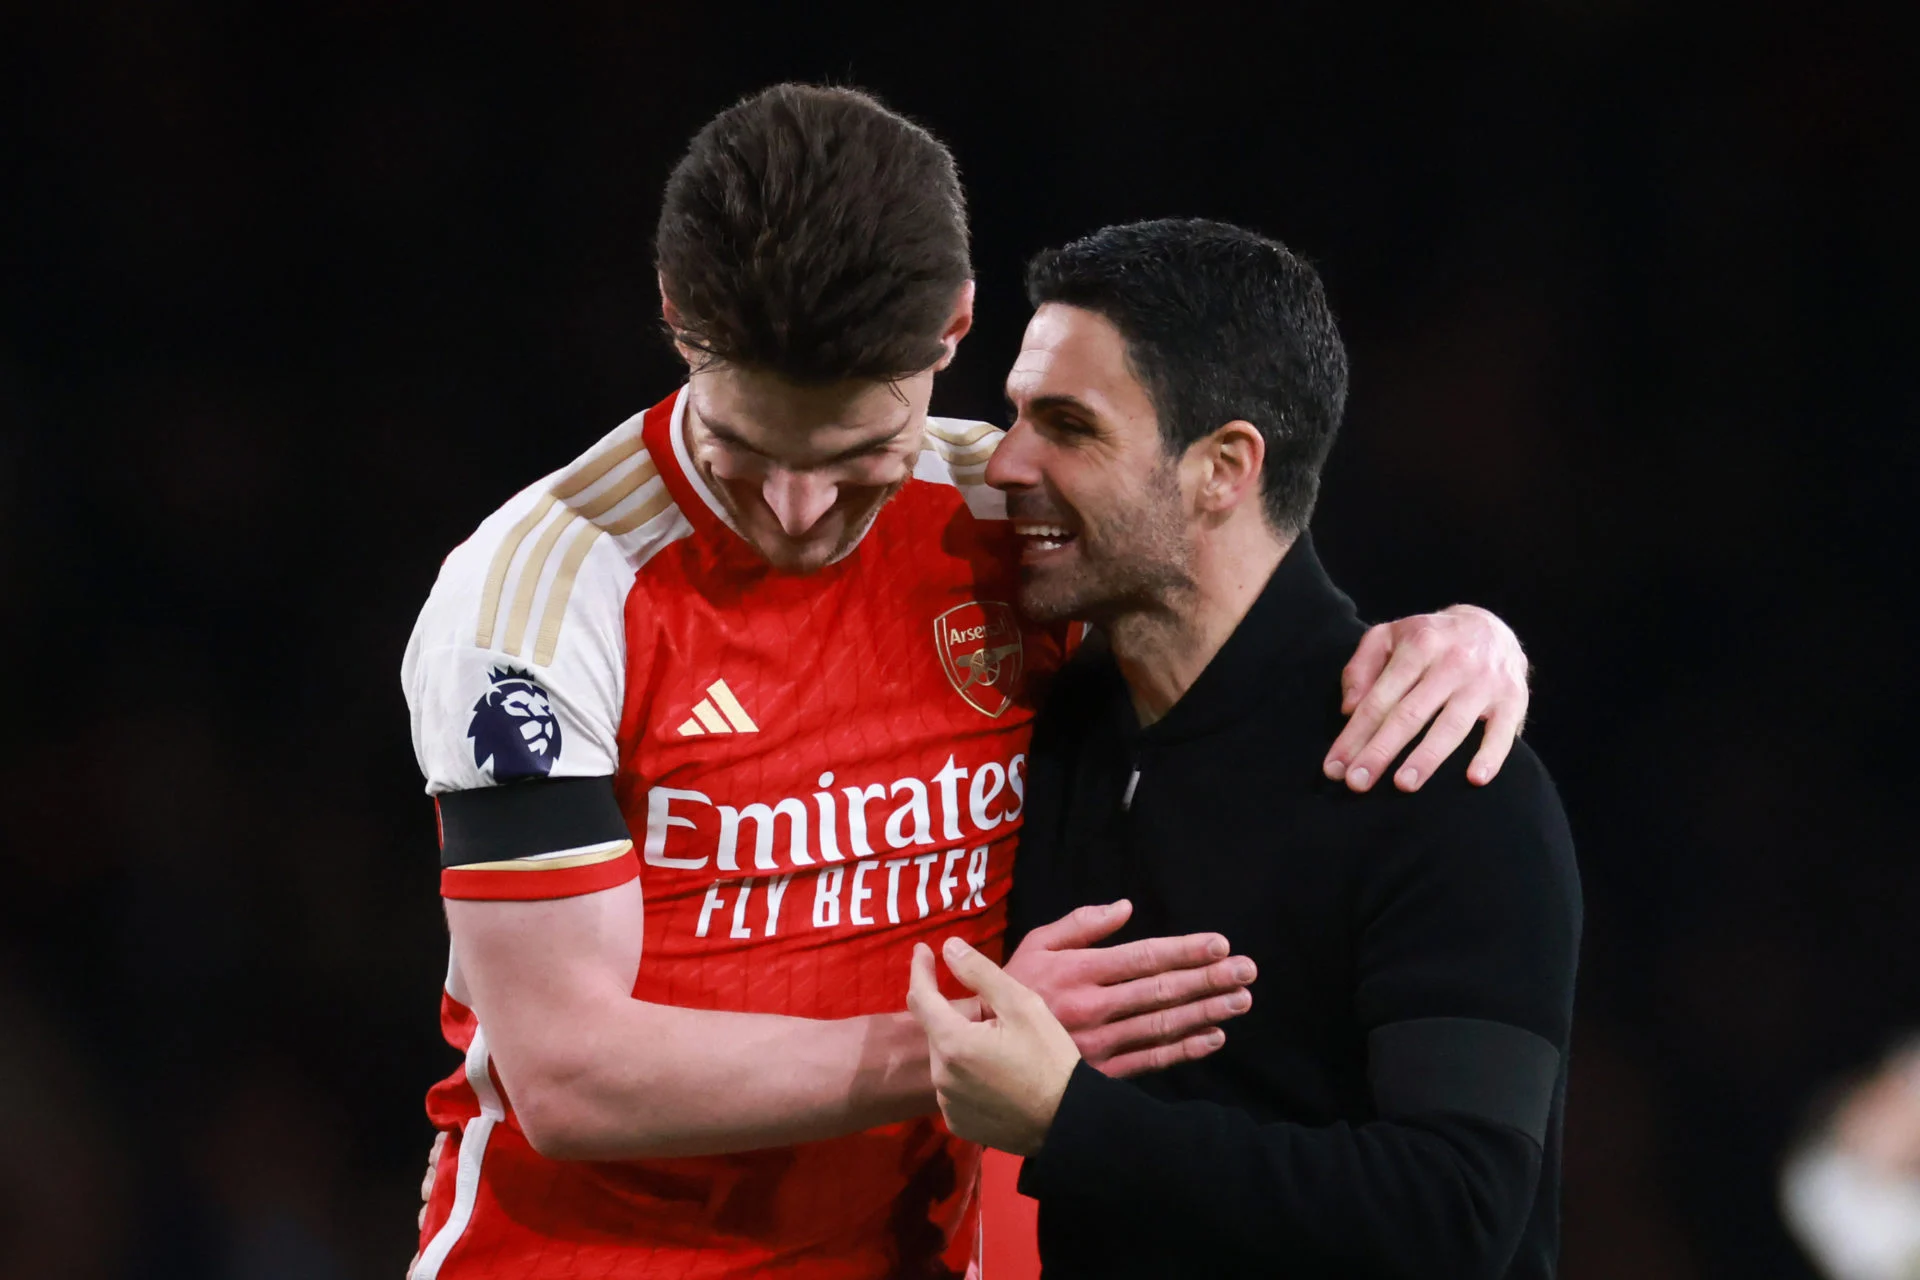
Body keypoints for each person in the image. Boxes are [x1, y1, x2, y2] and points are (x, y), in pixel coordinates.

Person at [401, 87, 1532, 1278]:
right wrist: (974, 1050)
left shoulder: (1003, 513)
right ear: (679, 319)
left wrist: (1463, 635)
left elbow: (1229, 606)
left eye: (856, 457)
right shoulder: (540, 595)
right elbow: (569, 1074)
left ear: (954, 328)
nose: (795, 514)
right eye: (743, 452)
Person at [908, 218, 1583, 1279]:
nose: (1007, 461)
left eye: (1069, 425)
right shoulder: (1056, 722)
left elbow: (1456, 1215)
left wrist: (1070, 1119)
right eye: (1015, 415)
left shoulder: (1436, 776)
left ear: (1222, 468)